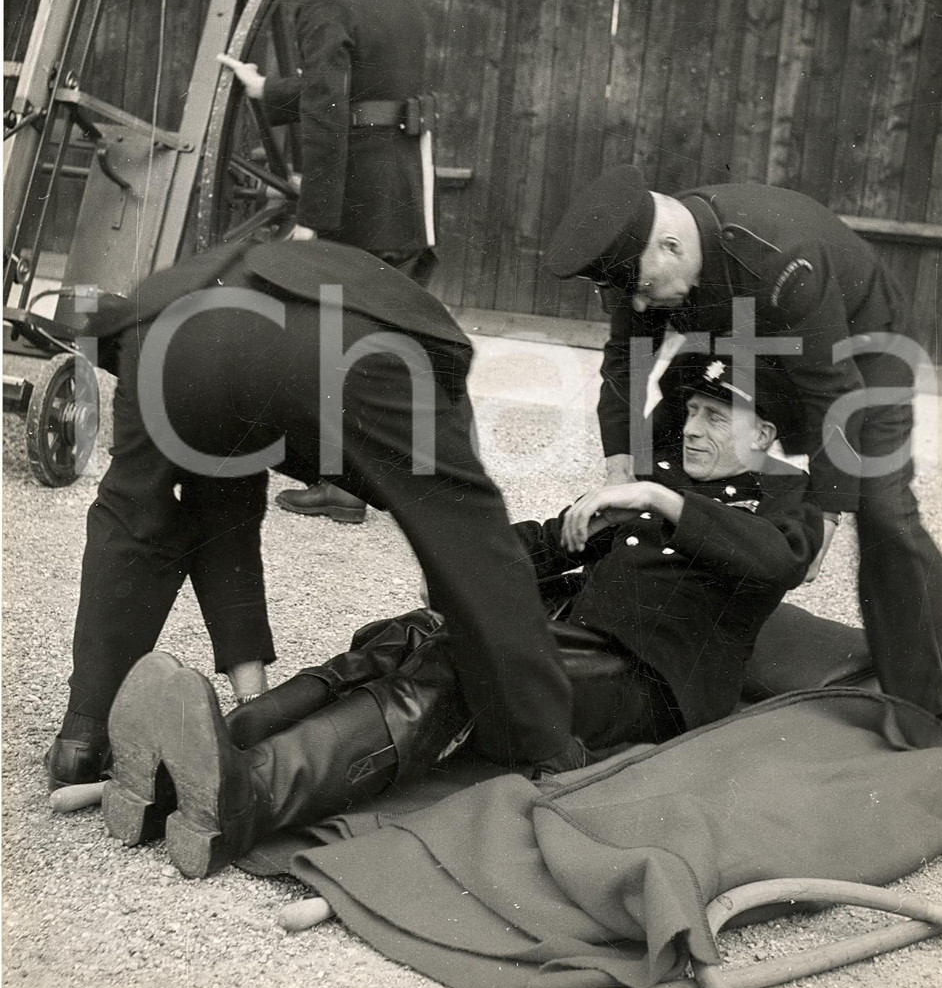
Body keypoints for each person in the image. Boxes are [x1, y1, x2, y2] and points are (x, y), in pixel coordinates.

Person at [100, 356, 823, 878]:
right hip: (575, 642)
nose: (691, 427)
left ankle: (246, 796)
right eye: (691, 410)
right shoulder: (659, 486)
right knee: (404, 636)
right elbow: (541, 545)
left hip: (642, 687)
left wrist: (659, 502)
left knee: (468, 660)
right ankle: (198, 758)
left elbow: (774, 561)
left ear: (763, 435)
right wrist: (457, 546)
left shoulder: (781, 508)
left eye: (715, 415)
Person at [45, 236, 578, 792]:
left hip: (167, 333)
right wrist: (448, 578)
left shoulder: (152, 310)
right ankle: (543, 750)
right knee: (471, 545)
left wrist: (253, 703)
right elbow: (472, 543)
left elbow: (223, 520)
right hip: (333, 346)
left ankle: (81, 739)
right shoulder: (434, 362)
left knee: (134, 521)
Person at [544, 165, 942, 749]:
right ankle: (632, 626)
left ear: (672, 246)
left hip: (856, 358)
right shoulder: (643, 258)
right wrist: (622, 467)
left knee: (883, 512)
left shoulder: (780, 258)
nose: (641, 306)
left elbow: (832, 392)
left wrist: (826, 514)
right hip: (742, 339)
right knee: (666, 456)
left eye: (644, 290)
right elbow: (625, 361)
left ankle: (941, 706)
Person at [219, 0, 435, 524]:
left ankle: (342, 486)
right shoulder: (398, 1)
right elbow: (354, 87)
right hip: (402, 185)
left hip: (355, 196)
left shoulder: (324, 0)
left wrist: (314, 215)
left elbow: (331, 110)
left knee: (325, 333)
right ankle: (405, 475)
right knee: (384, 333)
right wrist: (268, 88)